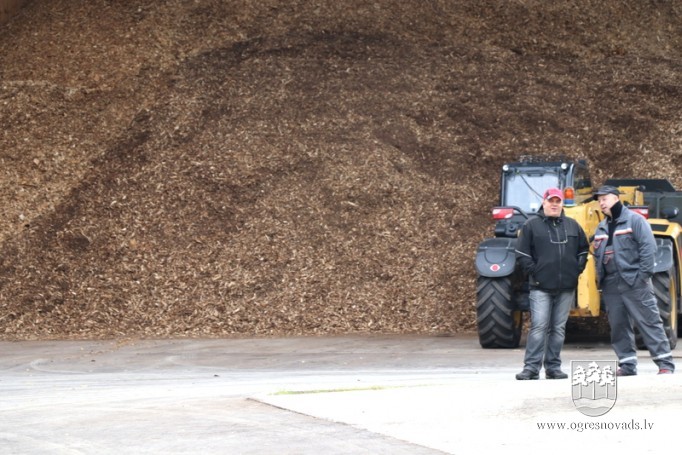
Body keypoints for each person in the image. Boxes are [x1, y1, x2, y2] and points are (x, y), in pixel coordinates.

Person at [592, 185, 675, 376]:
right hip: (611, 283)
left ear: (615, 199)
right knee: (618, 325)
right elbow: (597, 255)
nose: (601, 203)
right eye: (599, 200)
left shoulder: (635, 221)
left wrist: (642, 276)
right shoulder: (602, 226)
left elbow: (649, 248)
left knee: (649, 321)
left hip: (634, 281)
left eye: (604, 199)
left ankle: (665, 363)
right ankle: (627, 365)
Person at [515, 188, 589, 380]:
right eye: (551, 201)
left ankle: (553, 367)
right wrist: (535, 272)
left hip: (566, 287)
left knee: (558, 328)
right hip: (540, 286)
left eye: (558, 201)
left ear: (562, 204)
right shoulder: (531, 225)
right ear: (544, 202)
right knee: (539, 327)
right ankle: (531, 368)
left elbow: (583, 250)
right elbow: (522, 253)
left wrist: (576, 270)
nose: (554, 204)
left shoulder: (573, 226)